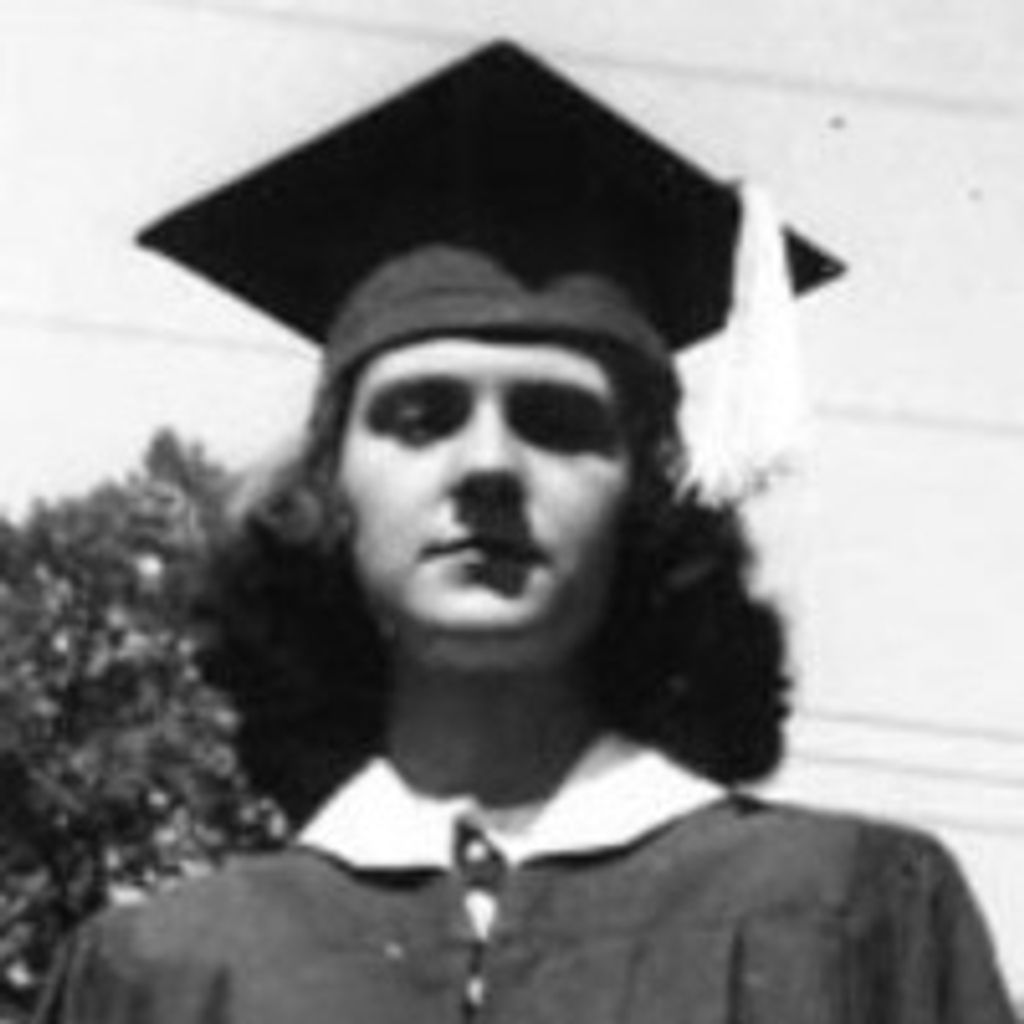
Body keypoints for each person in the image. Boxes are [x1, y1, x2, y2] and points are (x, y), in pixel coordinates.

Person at [34, 40, 1015, 1023]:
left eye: (557, 421)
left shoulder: (847, 914)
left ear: (646, 499)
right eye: (421, 417)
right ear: (330, 494)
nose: (489, 466)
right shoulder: (165, 973)